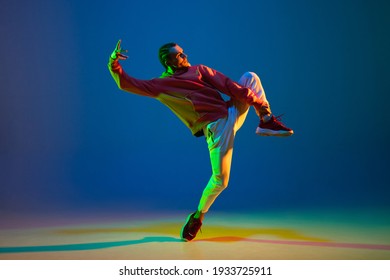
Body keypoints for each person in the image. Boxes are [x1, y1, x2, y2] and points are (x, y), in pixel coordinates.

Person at [108, 40, 293, 241]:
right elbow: (126, 83)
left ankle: (266, 120)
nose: (185, 56)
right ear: (168, 61)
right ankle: (198, 216)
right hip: (216, 128)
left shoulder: (199, 70)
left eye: (183, 52)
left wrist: (260, 106)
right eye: (179, 55)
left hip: (230, 111)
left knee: (250, 77)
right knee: (221, 181)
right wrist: (113, 63)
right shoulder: (161, 85)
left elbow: (229, 86)